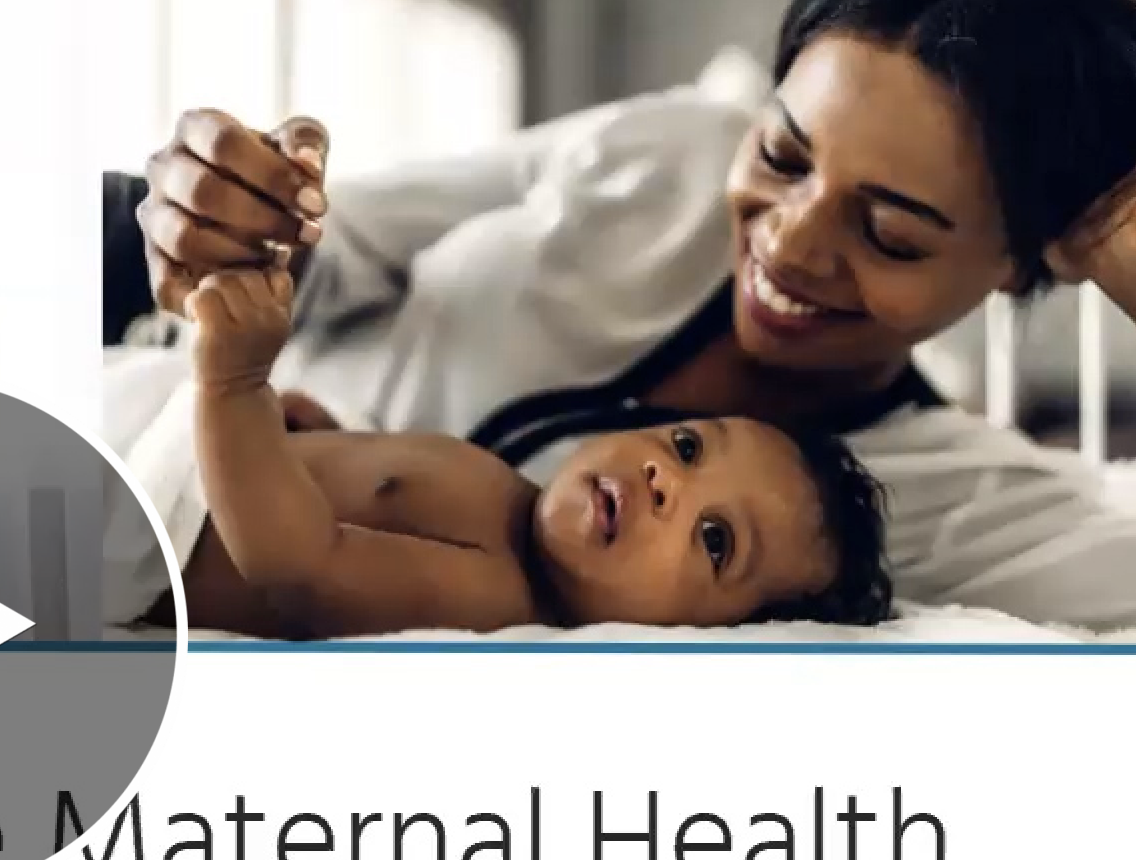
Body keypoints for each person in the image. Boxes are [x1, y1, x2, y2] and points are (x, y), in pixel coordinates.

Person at [107, 0, 1136, 632]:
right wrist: (235, 208)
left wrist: (1127, 224)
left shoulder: (963, 507)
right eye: (785, 157)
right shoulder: (675, 150)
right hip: (163, 356)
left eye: (889, 233)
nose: (789, 246)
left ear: (1028, 258)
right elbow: (340, 242)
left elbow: (296, 558)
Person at [127, 265, 893, 638]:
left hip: (146, 525)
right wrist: (312, 433)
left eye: (716, 539)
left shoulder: (490, 595)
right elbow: (371, 498)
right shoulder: (504, 497)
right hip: (183, 443)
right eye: (689, 446)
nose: (667, 483)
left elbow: (293, 560)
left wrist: (235, 383)